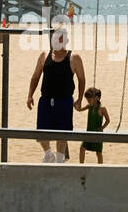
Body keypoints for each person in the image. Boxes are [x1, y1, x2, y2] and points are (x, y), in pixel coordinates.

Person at [27, 25, 86, 162]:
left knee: (63, 132)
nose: (57, 40)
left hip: (64, 100)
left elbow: (82, 79)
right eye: (55, 37)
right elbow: (36, 76)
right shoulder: (44, 55)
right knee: (41, 132)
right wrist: (30, 95)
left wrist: (79, 99)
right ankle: (48, 154)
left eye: (60, 38)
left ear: (66, 40)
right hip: (46, 99)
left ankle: (60, 159)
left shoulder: (74, 57)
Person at [76, 86, 109, 164]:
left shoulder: (102, 108)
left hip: (98, 134)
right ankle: (81, 166)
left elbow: (108, 120)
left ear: (96, 98)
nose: (88, 101)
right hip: (89, 132)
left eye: (89, 100)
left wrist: (102, 128)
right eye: (87, 100)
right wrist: (76, 105)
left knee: (98, 153)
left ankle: (100, 168)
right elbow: (79, 110)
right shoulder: (89, 106)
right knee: (82, 148)